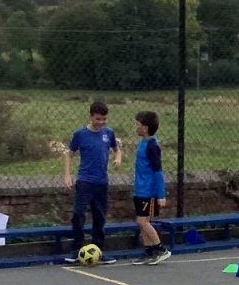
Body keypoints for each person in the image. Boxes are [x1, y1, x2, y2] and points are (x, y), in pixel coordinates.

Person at [62, 99, 121, 263]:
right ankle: (77, 249)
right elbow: (69, 154)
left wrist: (118, 158)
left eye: (104, 119)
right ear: (90, 117)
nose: (100, 122)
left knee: (99, 217)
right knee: (78, 214)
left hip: (101, 182)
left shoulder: (108, 133)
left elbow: (117, 149)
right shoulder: (80, 134)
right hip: (85, 180)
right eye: (97, 119)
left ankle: (98, 250)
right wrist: (67, 175)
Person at [130, 110, 170, 265]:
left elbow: (157, 171)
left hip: (148, 191)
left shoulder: (153, 146)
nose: (136, 127)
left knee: (142, 222)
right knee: (142, 222)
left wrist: (161, 194)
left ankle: (161, 249)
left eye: (138, 125)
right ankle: (148, 252)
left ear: (145, 128)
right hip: (139, 189)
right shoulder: (143, 142)